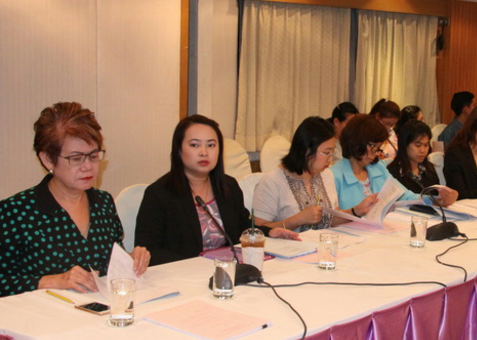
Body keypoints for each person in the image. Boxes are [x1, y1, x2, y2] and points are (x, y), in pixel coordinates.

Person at [0, 102, 150, 296]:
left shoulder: (103, 202)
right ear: (48, 159)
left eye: (94, 156)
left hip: (100, 307)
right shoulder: (16, 211)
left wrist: (132, 260)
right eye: (76, 158)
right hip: (44, 312)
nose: (88, 166)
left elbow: (110, 263)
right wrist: (52, 280)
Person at [135, 115, 298, 266]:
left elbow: (241, 227)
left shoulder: (228, 186)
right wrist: (197, 265)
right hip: (184, 275)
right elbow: (149, 250)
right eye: (194, 145)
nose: (204, 152)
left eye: (211, 145)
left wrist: (269, 232)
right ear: (179, 149)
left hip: (227, 269)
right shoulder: (158, 194)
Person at [253, 117, 378, 232]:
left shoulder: (326, 175)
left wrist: (357, 210)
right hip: (288, 248)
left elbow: (330, 219)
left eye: (332, 152)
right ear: (306, 151)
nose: (330, 159)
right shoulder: (272, 182)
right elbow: (257, 230)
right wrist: (297, 220)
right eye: (326, 153)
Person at [332, 114, 458, 210]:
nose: (375, 153)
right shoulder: (334, 175)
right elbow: (330, 218)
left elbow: (404, 195)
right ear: (356, 141)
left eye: (378, 148)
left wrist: (437, 200)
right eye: (373, 147)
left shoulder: (378, 168)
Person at [387, 120, 453, 196]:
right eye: (418, 145)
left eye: (426, 145)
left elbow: (436, 195)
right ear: (405, 145)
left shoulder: (429, 169)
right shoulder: (394, 173)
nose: (423, 150)